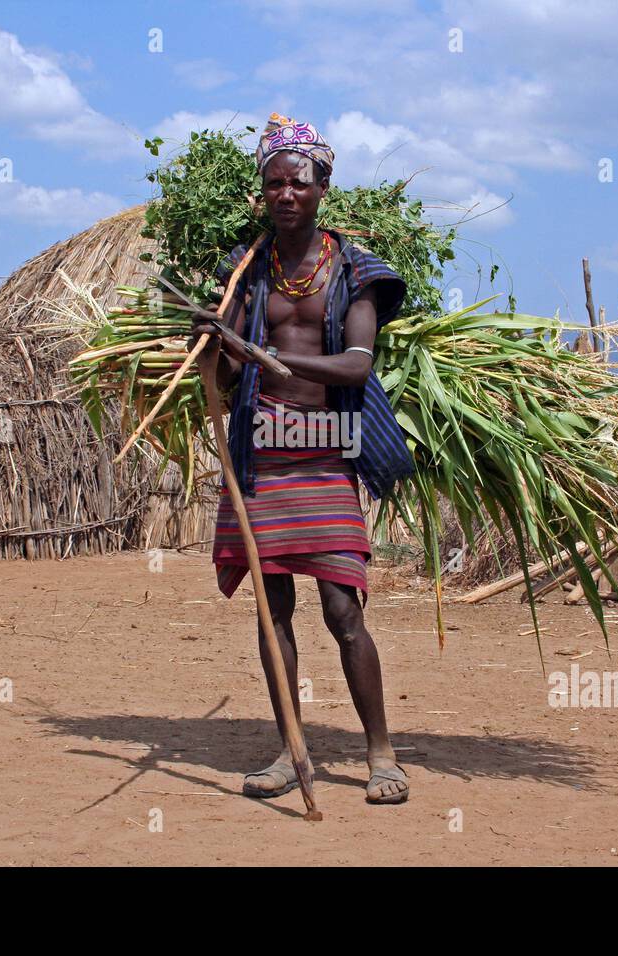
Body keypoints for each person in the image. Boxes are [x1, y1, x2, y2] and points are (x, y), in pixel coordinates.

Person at [189, 113, 416, 804]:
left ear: (324, 186)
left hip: (323, 457)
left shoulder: (355, 272)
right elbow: (230, 375)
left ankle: (381, 756)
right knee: (272, 610)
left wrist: (271, 354)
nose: (286, 194)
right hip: (260, 459)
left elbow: (354, 365)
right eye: (275, 183)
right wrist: (216, 342)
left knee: (344, 612)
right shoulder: (246, 271)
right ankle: (291, 751)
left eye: (299, 182)